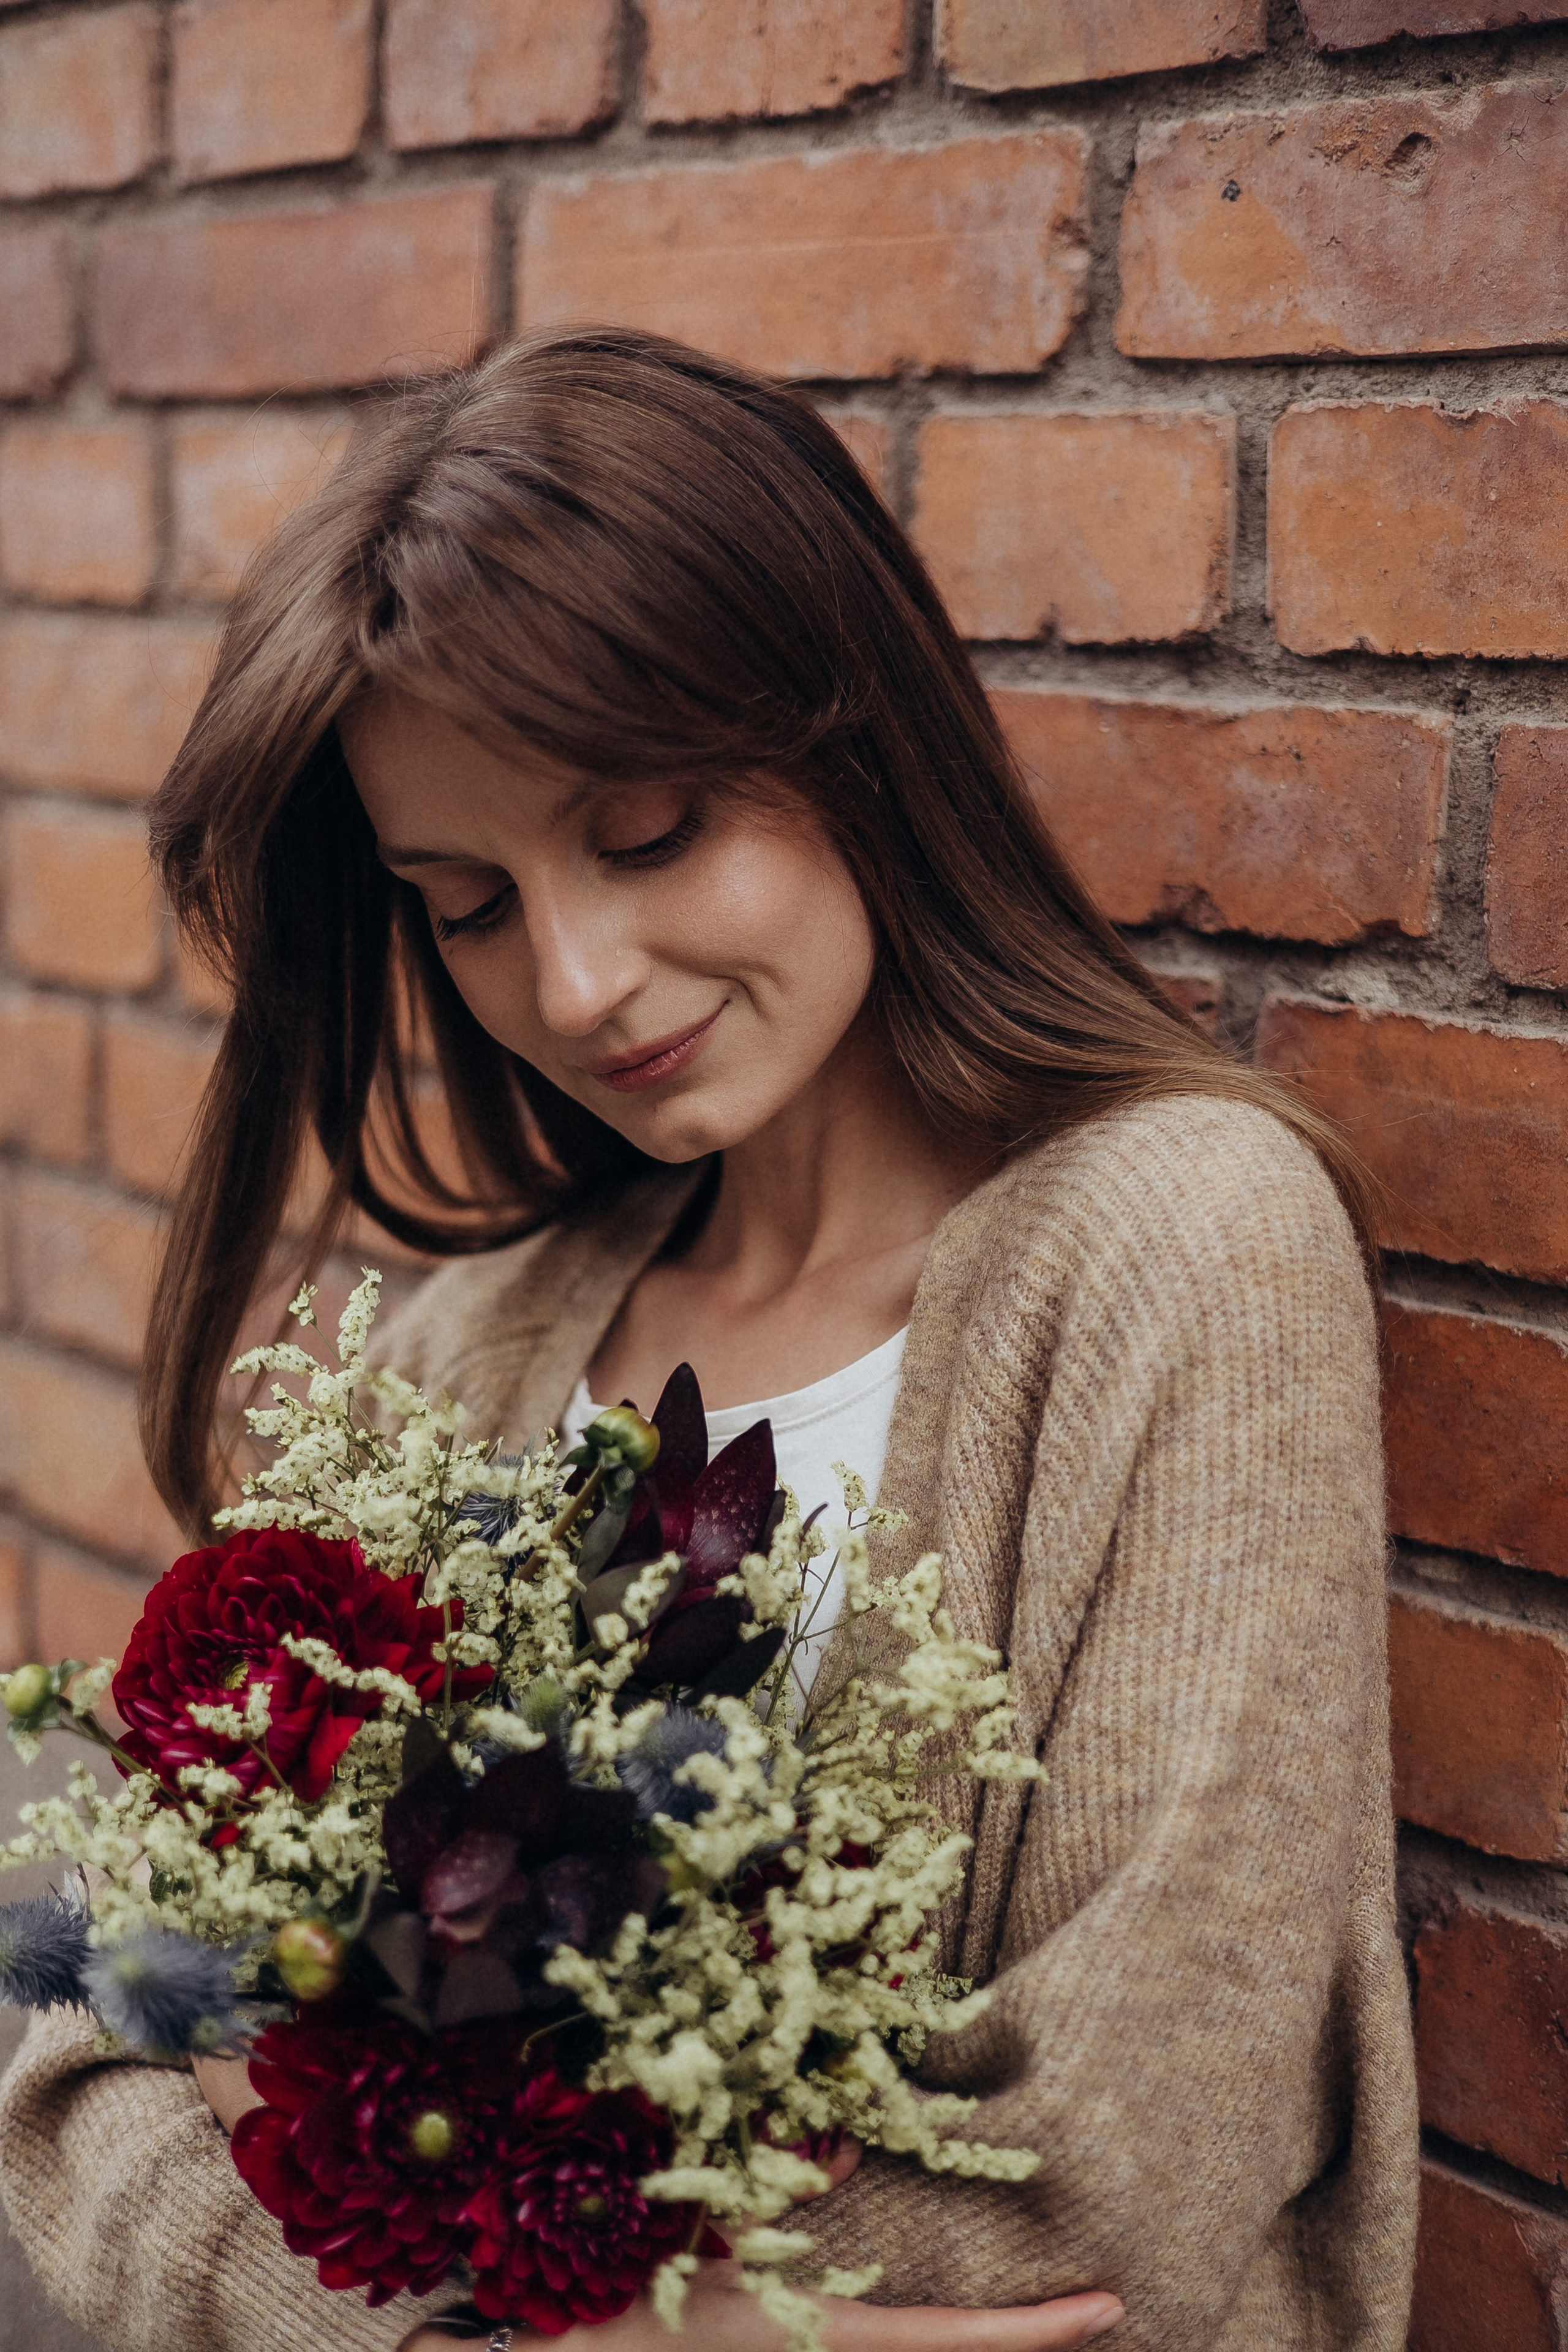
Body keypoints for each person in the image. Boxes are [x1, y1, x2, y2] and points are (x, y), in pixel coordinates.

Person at [0, 328, 1417, 2352]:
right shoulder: (461, 1353)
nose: (576, 982)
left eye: (650, 832)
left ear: (857, 740)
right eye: (468, 901)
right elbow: (67, 2025)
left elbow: (1128, 2182)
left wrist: (389, 2244)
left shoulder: (1178, 1248)